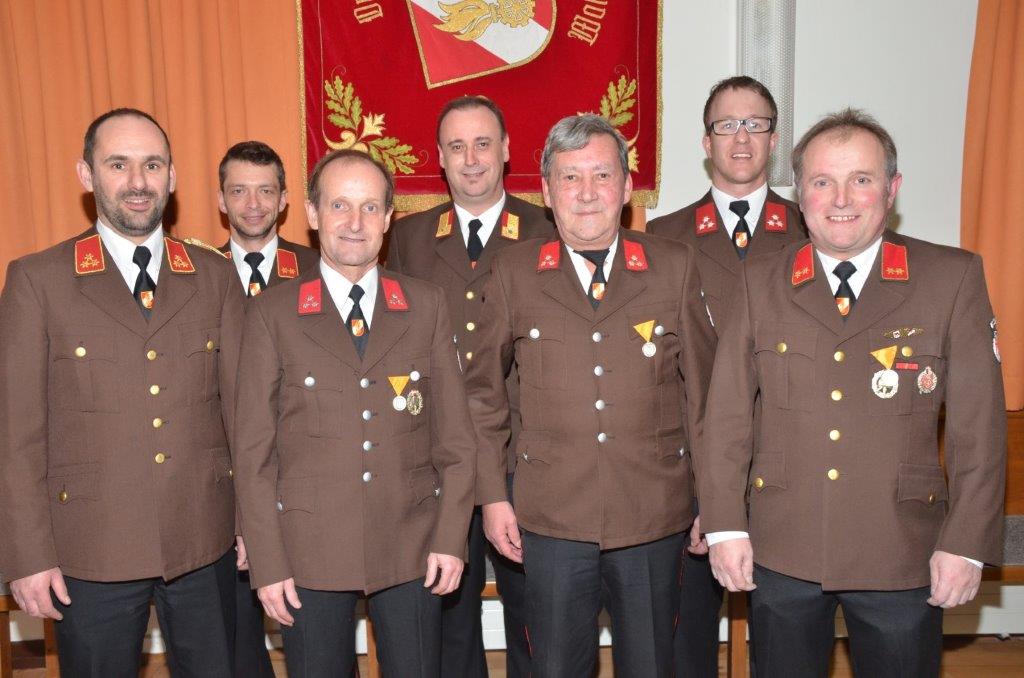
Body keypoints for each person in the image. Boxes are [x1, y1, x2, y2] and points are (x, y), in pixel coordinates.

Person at [700, 108, 1006, 677]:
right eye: (822, 182)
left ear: (892, 188)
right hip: (783, 548)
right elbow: (727, 417)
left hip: (902, 551)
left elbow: (979, 427)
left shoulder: (950, 278)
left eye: (860, 179)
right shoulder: (759, 281)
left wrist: (965, 542)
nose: (841, 199)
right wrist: (725, 526)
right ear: (800, 195)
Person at [465, 114, 716, 677]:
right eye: (570, 177)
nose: (586, 192)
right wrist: (493, 496)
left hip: (653, 512)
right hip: (551, 516)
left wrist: (714, 501)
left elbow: (704, 398)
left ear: (626, 188)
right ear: (547, 191)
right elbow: (483, 395)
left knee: (651, 665)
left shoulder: (674, 267)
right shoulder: (512, 272)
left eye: (602, 175)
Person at [0, 108, 243, 676]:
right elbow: (16, 434)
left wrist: (250, 525)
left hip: (203, 540)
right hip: (90, 549)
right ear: (86, 175)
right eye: (118, 165)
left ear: (172, 177)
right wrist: (27, 556)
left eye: (152, 165)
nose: (138, 182)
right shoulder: (38, 280)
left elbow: (242, 416)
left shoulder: (214, 276)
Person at [231, 149, 476, 677]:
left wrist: (450, 539)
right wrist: (267, 562)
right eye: (339, 205)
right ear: (312, 214)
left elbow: (456, 442)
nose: (354, 223)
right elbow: (253, 453)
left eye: (370, 207)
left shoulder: (427, 305)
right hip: (307, 553)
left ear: (388, 218)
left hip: (411, 546)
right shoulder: (273, 313)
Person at [386, 94, 553, 678]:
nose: (471, 159)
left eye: (483, 144)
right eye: (457, 147)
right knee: (449, 611)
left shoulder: (545, 229)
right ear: (439, 158)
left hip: (522, 452)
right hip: (437, 455)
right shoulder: (407, 238)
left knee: (533, 611)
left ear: (506, 150)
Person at [647, 75, 805, 676]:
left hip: (788, 467)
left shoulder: (811, 229)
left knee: (786, 638)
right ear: (706, 141)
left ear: (774, 139)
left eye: (755, 124)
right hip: (692, 467)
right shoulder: (663, 237)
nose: (741, 138)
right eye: (727, 125)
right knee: (685, 642)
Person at [215, 139, 318, 677]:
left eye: (265, 191)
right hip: (223, 482)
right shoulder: (195, 274)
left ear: (284, 200)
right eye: (239, 191)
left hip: (306, 479)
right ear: (221, 200)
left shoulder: (318, 268)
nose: (252, 205)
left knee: (315, 636)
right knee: (235, 645)